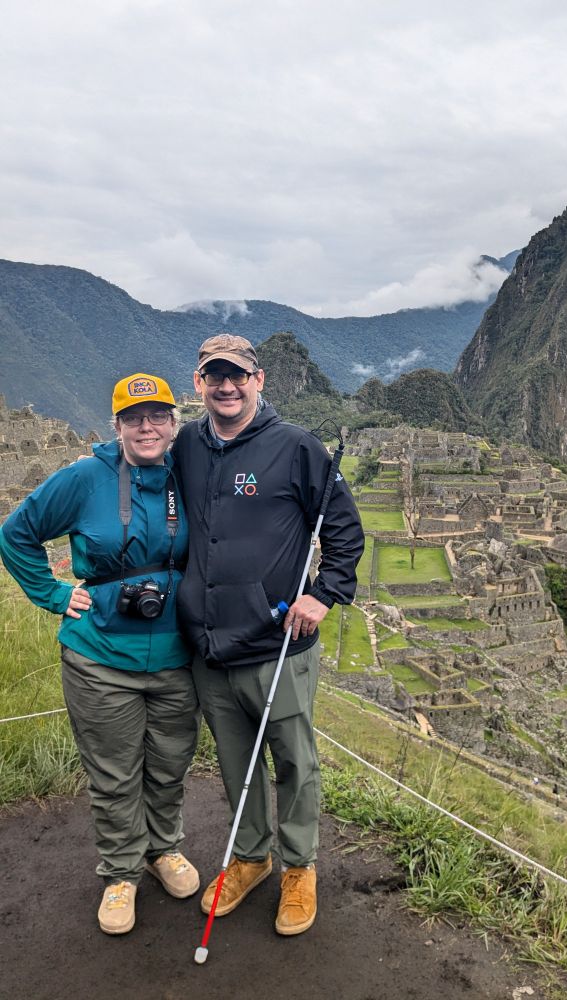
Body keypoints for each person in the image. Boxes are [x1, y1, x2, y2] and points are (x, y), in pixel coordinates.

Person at [172, 333, 364, 936]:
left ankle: (299, 867)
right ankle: (251, 857)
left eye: (237, 375)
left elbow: (345, 531)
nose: (225, 386)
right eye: (214, 376)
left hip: (276, 644)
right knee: (236, 763)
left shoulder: (296, 448)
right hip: (209, 646)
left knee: (293, 761)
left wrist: (324, 593)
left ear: (259, 380)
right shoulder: (186, 446)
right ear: (199, 383)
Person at [0, 374, 200, 935]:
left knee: (169, 766)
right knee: (114, 773)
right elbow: (17, 534)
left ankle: (164, 850)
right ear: (117, 425)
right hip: (100, 657)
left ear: (171, 423)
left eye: (157, 416)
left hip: (178, 657)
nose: (146, 426)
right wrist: (55, 594)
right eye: (134, 417)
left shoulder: (188, 478)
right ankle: (120, 873)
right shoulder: (86, 478)